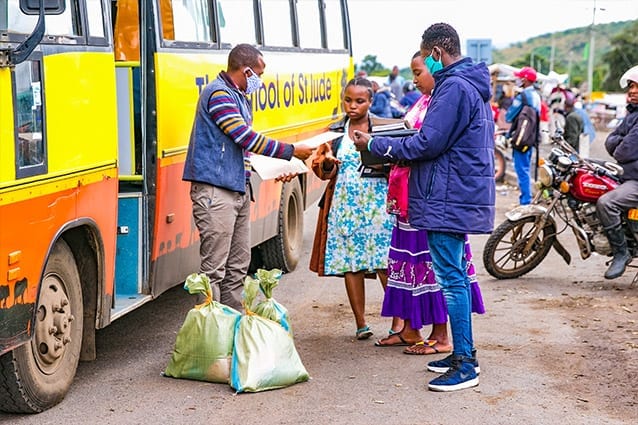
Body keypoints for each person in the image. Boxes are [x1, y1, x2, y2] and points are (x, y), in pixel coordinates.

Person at [353, 23, 495, 392]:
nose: (423, 72)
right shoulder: (466, 85)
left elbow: (427, 143)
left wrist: (378, 147)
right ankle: (460, 353)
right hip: (451, 192)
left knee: (452, 281)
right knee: (453, 278)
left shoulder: (453, 87)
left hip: (447, 195)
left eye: (424, 61)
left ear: (436, 53)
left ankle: (465, 363)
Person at [182, 44, 314, 311]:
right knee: (214, 271)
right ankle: (209, 332)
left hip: (237, 189)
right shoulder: (219, 94)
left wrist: (275, 167)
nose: (261, 81)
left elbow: (241, 149)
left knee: (238, 265)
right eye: (260, 74)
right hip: (216, 192)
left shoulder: (238, 95)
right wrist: (290, 152)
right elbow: (244, 137)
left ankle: (233, 323)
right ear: (246, 70)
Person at [374, 51, 486, 355]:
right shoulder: (427, 101)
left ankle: (448, 343)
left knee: (440, 271)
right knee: (414, 266)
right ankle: (411, 328)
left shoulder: (449, 98)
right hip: (410, 199)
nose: (414, 79)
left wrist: (379, 145)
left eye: (418, 72)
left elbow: (425, 144)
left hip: (432, 201)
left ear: (436, 62)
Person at [309, 77, 399, 340]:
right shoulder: (335, 132)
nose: (352, 106)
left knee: (386, 264)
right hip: (345, 205)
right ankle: (361, 323)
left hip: (378, 206)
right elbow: (323, 171)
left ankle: (398, 323)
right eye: (348, 100)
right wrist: (326, 162)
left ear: (371, 102)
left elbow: (397, 165)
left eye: (359, 101)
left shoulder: (383, 128)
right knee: (352, 265)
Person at [595, 65, 638, 280]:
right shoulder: (631, 115)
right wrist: (617, 144)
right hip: (627, 174)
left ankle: (622, 253)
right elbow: (610, 140)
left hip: (636, 179)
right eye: (631, 86)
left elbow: (623, 150)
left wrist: (617, 144)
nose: (633, 90)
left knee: (607, 203)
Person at [505, 66, 541, 206]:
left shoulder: (523, 96)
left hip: (521, 138)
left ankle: (525, 202)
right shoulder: (537, 96)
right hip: (531, 138)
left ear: (525, 80)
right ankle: (526, 198)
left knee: (522, 169)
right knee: (525, 168)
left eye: (520, 77)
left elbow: (509, 116)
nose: (518, 79)